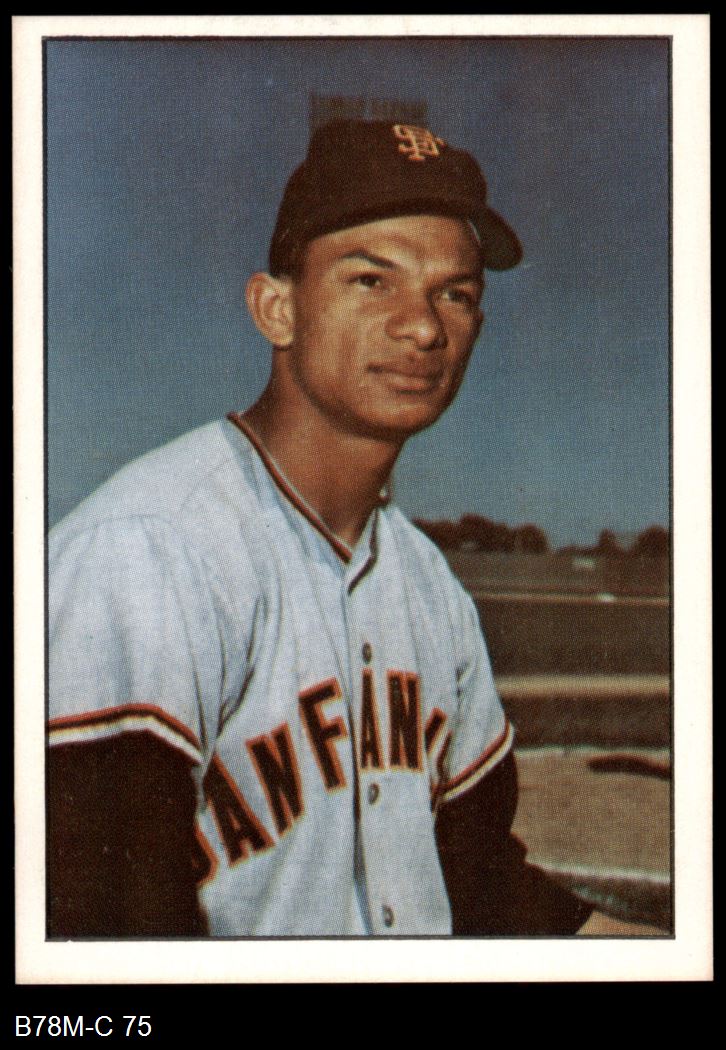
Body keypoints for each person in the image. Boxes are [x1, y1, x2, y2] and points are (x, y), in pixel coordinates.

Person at [47, 119, 645, 938]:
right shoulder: (151, 549)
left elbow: (470, 873)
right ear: (276, 309)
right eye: (372, 280)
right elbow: (98, 930)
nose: (423, 326)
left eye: (455, 294)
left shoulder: (430, 588)